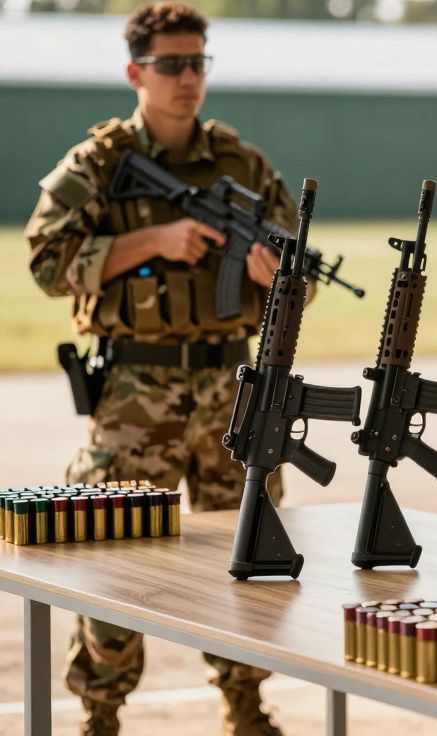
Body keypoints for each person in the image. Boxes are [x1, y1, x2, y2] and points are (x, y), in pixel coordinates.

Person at [25, 3, 293, 734]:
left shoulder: (242, 165)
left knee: (253, 554)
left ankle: (245, 705)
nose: (187, 79)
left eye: (198, 63)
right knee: (113, 559)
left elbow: (294, 262)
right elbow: (46, 262)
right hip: (137, 392)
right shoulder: (98, 165)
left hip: (232, 388)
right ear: (134, 71)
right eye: (171, 65)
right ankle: (101, 715)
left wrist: (277, 272)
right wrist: (151, 241)